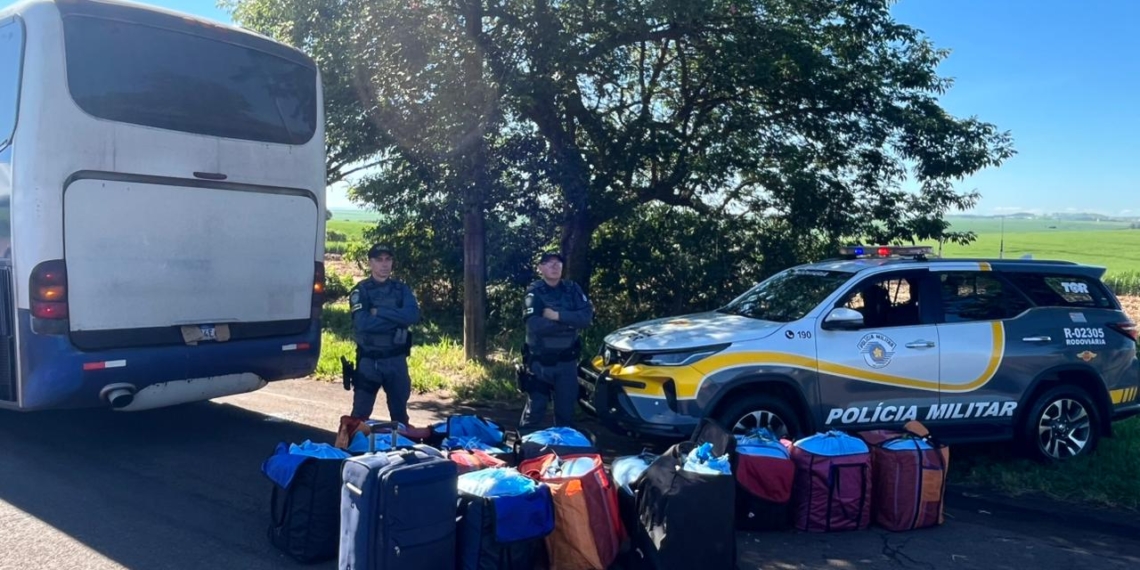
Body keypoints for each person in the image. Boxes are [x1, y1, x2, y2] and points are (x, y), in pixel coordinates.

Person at [519, 250, 594, 430]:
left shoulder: (572, 289)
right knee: (535, 410)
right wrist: (570, 323)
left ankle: (562, 445)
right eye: (549, 263)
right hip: (540, 363)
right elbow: (535, 325)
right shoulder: (534, 292)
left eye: (558, 263)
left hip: (567, 362)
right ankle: (525, 443)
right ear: (541, 268)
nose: (555, 266)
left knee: (566, 413)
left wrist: (557, 316)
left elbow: (586, 318)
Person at [347, 243, 420, 425]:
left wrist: (379, 312)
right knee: (359, 417)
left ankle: (401, 444)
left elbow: (412, 315)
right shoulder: (361, 290)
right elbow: (363, 323)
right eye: (379, 260)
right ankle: (351, 443)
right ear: (370, 263)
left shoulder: (401, 289)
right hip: (369, 361)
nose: (384, 264)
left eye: (388, 259)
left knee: (400, 417)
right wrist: (397, 319)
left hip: (396, 360)